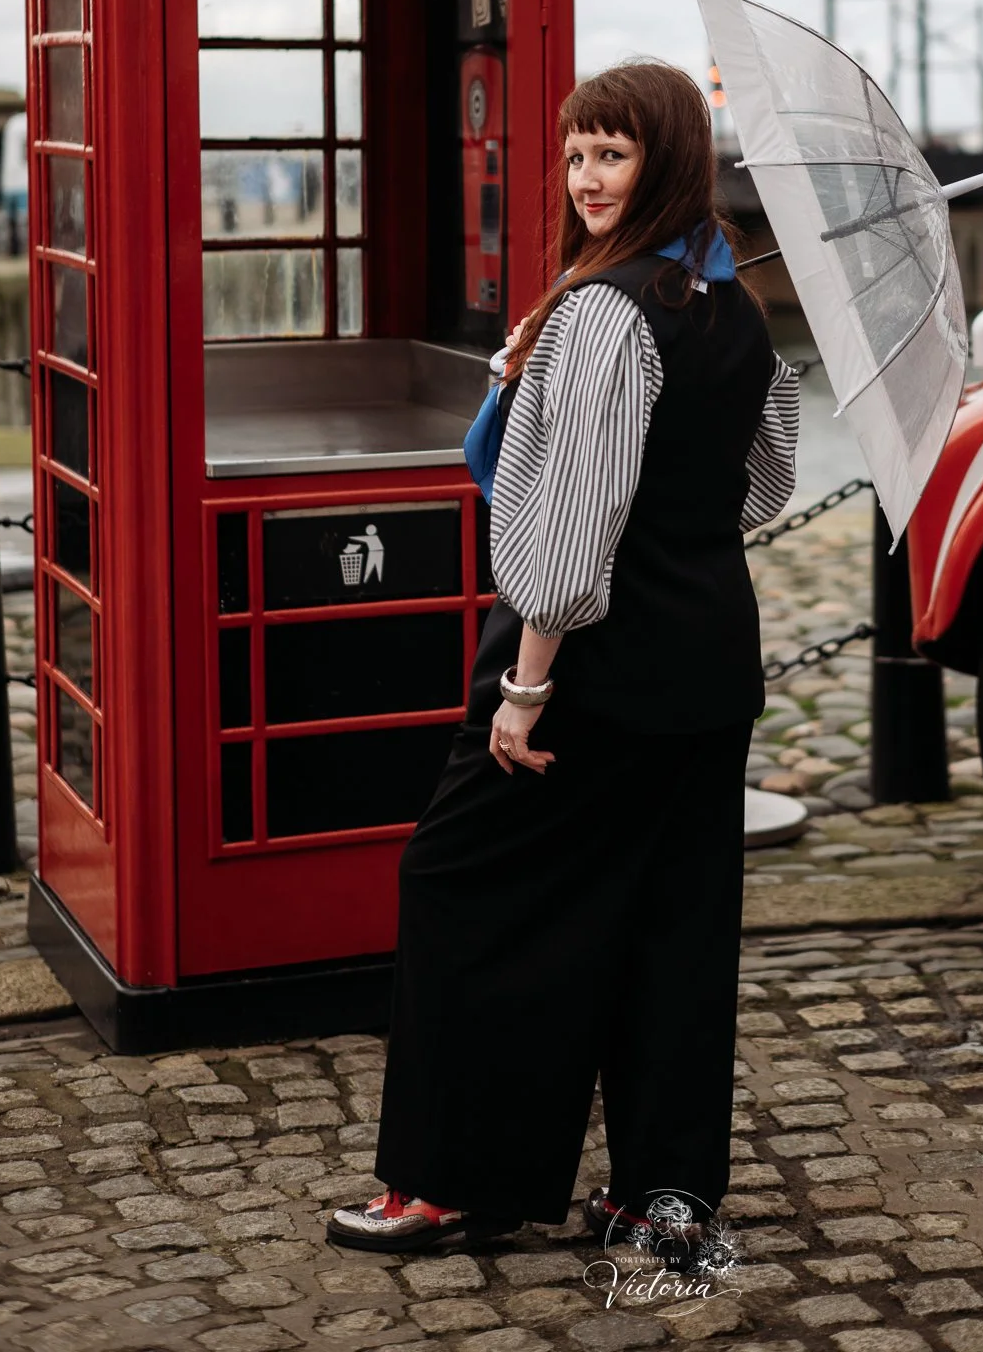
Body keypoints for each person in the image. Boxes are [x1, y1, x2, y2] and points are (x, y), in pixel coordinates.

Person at [326, 61, 799, 1258]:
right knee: (674, 930)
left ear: (669, 162)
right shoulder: (731, 303)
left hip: (587, 664)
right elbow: (763, 484)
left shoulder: (600, 313)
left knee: (457, 884)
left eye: (614, 154)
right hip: (705, 659)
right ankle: (662, 1194)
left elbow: (572, 539)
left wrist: (524, 687)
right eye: (577, 152)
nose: (586, 177)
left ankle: (444, 1178)